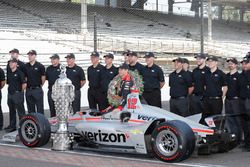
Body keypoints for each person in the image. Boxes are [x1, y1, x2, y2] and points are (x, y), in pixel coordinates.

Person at [199, 55, 228, 125]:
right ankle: (206, 135)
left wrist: (222, 97)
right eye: (208, 61)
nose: (210, 63)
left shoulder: (221, 74)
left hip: (217, 101)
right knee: (206, 119)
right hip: (207, 100)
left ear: (216, 63)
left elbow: (225, 87)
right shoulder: (206, 73)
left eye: (212, 61)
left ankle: (216, 135)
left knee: (216, 119)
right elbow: (205, 86)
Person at [5, 58, 26, 133]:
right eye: (10, 63)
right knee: (12, 111)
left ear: (16, 64)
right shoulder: (9, 73)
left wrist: (20, 93)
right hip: (10, 94)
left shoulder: (20, 73)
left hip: (17, 94)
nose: (10, 64)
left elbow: (24, 84)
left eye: (12, 63)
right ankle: (12, 126)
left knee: (21, 112)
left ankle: (23, 126)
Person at [25, 50, 45, 115]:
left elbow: (43, 78)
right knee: (30, 110)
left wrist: (39, 86)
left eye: (31, 55)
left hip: (37, 90)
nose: (29, 56)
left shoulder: (40, 66)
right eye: (29, 55)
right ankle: (32, 124)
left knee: (40, 109)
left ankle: (41, 124)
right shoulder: (25, 66)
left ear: (35, 56)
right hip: (28, 90)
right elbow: (25, 77)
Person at [239, 55, 250, 151]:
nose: (244, 65)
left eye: (246, 63)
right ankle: (246, 143)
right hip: (242, 100)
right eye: (243, 64)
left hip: (248, 100)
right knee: (244, 123)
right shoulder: (241, 74)